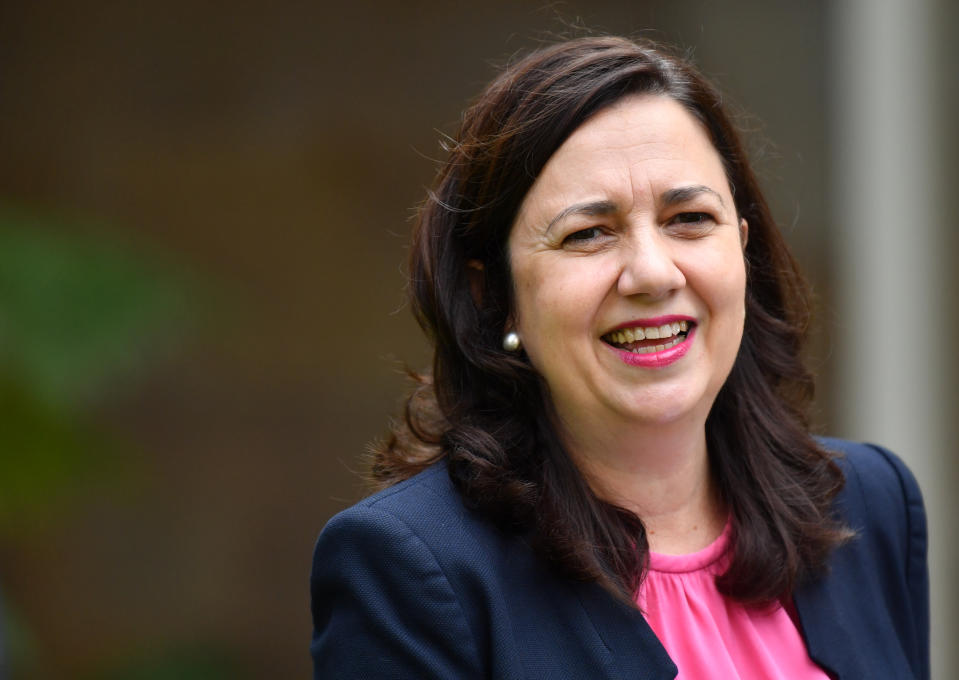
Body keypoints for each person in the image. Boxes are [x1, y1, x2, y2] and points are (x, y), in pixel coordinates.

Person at [310, 36, 929, 679]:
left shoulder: (868, 504)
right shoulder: (411, 567)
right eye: (588, 233)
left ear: (741, 251)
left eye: (689, 217)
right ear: (493, 294)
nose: (653, 273)